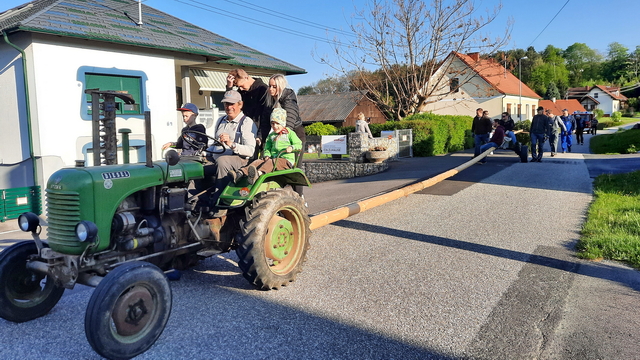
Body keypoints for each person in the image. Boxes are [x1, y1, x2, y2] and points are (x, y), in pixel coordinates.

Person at [201, 90, 257, 217]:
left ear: (240, 104)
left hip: (239, 160)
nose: (228, 107)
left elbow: (250, 151)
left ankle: (219, 204)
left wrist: (231, 143)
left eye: (232, 104)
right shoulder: (221, 120)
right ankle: (194, 200)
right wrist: (205, 152)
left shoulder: (246, 122)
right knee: (195, 163)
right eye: (226, 104)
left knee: (223, 161)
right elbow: (215, 144)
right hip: (217, 157)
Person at [263, 73, 307, 198]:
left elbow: (291, 116)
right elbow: (266, 121)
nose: (271, 89)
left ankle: (299, 197)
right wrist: (261, 136)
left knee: (294, 169)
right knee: (276, 166)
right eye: (269, 86)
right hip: (277, 136)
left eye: (274, 86)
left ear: (280, 87)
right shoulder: (269, 99)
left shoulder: (288, 96)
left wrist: (285, 133)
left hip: (293, 135)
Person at [232, 108, 302, 184]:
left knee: (273, 162)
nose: (274, 126)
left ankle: (258, 174)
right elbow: (267, 148)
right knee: (258, 161)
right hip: (273, 159)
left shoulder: (289, 133)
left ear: (283, 123)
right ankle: (240, 173)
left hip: (286, 161)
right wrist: (267, 155)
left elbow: (298, 144)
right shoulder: (271, 136)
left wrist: (292, 147)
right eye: (272, 123)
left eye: (277, 123)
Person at [226, 69, 268, 143]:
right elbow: (230, 102)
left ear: (246, 78)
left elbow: (265, 115)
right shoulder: (242, 91)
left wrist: (260, 136)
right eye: (238, 87)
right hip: (243, 131)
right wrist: (229, 87)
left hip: (258, 133)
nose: (241, 89)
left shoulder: (263, 90)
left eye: (241, 86)